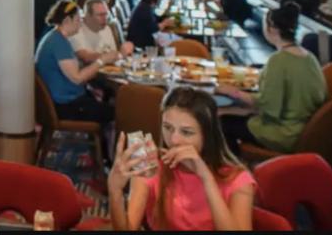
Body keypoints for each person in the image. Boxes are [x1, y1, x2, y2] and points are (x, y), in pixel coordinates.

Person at [108, 87, 255, 231]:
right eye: (167, 127)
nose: (174, 140)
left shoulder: (238, 179)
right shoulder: (150, 165)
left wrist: (207, 179)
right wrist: (115, 191)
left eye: (186, 132)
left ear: (208, 136)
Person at [219, 2, 326, 155]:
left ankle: (235, 172)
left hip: (284, 134)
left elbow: (267, 105)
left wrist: (233, 92)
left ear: (272, 28)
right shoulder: (310, 57)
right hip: (308, 130)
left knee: (222, 123)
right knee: (234, 113)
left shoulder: (278, 61)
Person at [35, 0, 114, 125]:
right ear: (67, 21)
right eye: (78, 20)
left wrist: (87, 88)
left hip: (65, 100)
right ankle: (112, 144)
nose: (80, 23)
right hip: (65, 106)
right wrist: (102, 60)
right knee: (116, 112)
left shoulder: (56, 38)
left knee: (105, 101)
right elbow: (77, 78)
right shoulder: (58, 42)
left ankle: (103, 143)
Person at [70, 0, 134, 64]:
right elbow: (86, 57)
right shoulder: (76, 31)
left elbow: (113, 54)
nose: (105, 18)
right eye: (100, 15)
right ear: (87, 16)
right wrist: (119, 55)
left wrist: (125, 51)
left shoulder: (106, 29)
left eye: (106, 14)